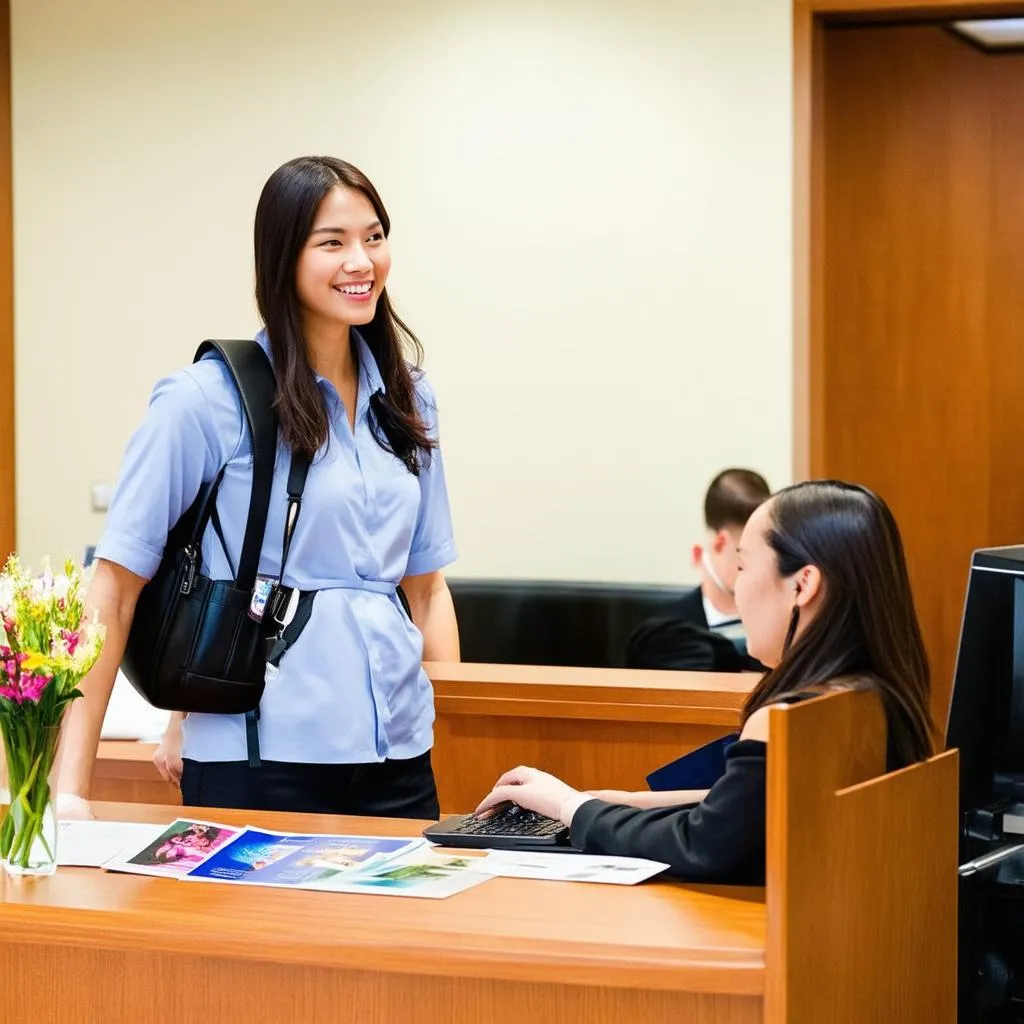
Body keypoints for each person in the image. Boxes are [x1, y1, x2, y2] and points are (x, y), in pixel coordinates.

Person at [57, 155, 460, 820]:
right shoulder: (206, 400)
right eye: (332, 242)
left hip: (400, 759)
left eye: (375, 237)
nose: (361, 261)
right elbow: (115, 589)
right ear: (281, 257)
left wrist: (458, 748)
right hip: (261, 758)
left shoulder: (412, 400)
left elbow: (426, 589)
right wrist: (69, 791)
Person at [475, 480, 935, 883]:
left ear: (803, 585)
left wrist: (572, 810)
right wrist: (619, 802)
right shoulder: (869, 694)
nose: (737, 586)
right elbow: (745, 809)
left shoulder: (786, 719)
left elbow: (703, 844)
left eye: (744, 565)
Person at [624, 468, 770, 672]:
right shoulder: (661, 638)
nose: (763, 568)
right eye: (748, 555)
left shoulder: (784, 625)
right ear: (719, 544)